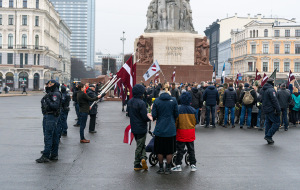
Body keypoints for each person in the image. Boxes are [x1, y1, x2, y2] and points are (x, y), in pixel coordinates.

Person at [152, 84, 179, 175]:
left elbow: (154, 115)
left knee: (159, 150)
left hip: (159, 129)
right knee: (169, 150)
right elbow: (176, 114)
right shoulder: (174, 100)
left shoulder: (156, 101)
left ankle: (160, 168)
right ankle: (167, 168)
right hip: (170, 129)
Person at [172, 92, 198, 172]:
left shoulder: (178, 109)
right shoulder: (193, 110)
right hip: (190, 132)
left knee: (180, 149)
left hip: (181, 131)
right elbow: (196, 121)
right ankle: (193, 165)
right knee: (191, 149)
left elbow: (176, 122)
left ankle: (178, 165)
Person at [36, 80, 62, 163]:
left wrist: (47, 99)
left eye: (50, 84)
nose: (48, 85)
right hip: (49, 116)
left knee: (49, 136)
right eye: (47, 84)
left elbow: (54, 106)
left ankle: (46, 155)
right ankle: (54, 154)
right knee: (53, 136)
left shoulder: (55, 94)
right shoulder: (51, 93)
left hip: (51, 116)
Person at [127, 84, 151, 171]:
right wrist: (149, 117)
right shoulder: (141, 103)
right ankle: (137, 163)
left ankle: (143, 158)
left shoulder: (130, 102)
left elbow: (129, 114)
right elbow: (144, 117)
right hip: (141, 127)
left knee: (140, 144)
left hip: (134, 127)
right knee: (139, 146)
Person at [261, 79, 281, 144]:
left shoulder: (262, 90)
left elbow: (260, 99)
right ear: (272, 83)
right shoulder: (271, 90)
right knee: (277, 123)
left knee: (268, 123)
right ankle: (268, 136)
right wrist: (278, 109)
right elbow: (274, 100)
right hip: (271, 109)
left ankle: (268, 138)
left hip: (265, 108)